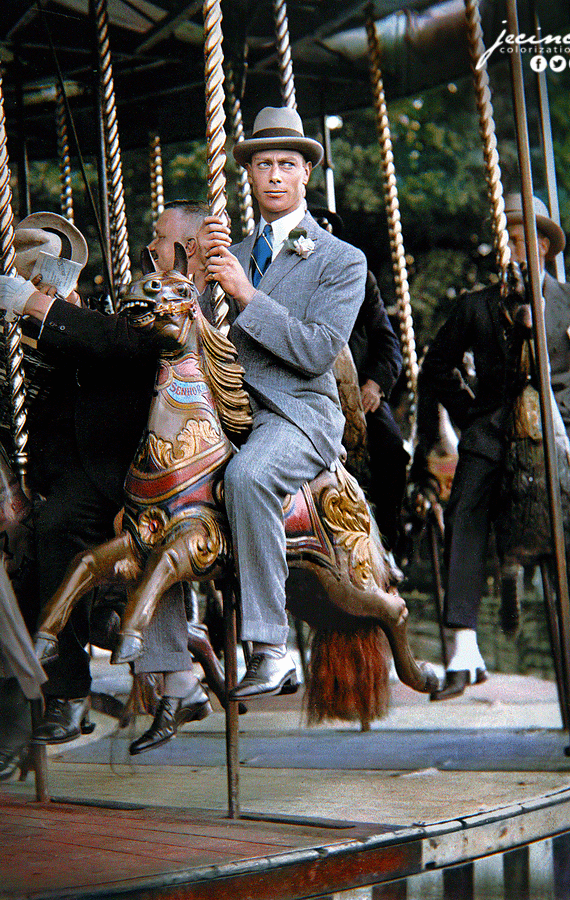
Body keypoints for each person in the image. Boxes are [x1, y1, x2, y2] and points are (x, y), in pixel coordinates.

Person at [0, 212, 210, 756]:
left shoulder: (125, 314)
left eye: (46, 271)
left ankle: (68, 693)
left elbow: (121, 344)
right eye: (27, 275)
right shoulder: (21, 340)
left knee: (57, 525)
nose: (40, 282)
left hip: (127, 470)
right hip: (56, 471)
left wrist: (41, 309)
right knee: (41, 529)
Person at [419, 193, 570, 700]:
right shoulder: (476, 306)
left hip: (565, 421)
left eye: (524, 239)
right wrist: (472, 417)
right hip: (494, 422)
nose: (516, 248)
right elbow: (437, 367)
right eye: (507, 239)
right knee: (464, 507)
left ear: (545, 245)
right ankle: (464, 648)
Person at [197, 106, 367, 699]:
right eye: (263, 164)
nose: (273, 175)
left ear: (305, 176)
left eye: (285, 165)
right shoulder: (229, 251)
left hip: (297, 412)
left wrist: (244, 295)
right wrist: (194, 278)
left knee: (249, 477)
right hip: (227, 405)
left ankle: (270, 649)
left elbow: (319, 350)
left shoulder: (339, 259)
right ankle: (168, 660)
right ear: (247, 174)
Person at [307, 194, 409, 551]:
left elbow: (386, 342)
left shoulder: (358, 279)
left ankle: (389, 538)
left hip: (354, 393)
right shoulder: (282, 276)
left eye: (325, 227)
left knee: (393, 449)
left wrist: (376, 385)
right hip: (304, 391)